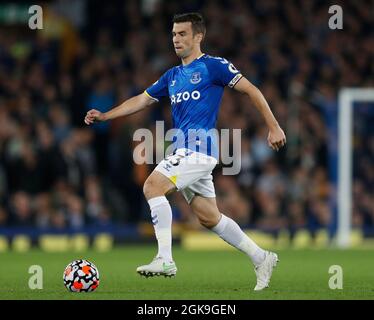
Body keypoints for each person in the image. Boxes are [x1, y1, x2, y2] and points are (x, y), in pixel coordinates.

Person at [85, 12, 286, 291]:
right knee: (208, 217)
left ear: (198, 36)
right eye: (173, 34)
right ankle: (261, 257)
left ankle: (165, 258)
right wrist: (107, 115)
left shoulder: (214, 66)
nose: (176, 39)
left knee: (152, 186)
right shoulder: (172, 75)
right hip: (185, 149)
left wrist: (273, 126)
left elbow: (252, 90)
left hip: (200, 149)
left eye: (182, 34)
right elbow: (141, 101)